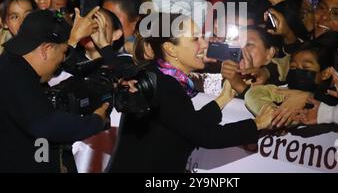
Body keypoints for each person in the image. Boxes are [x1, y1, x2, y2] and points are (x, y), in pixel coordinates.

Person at [107, 13, 275, 172]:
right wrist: (257, 123)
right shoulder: (166, 85)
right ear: (171, 49)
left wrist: (223, 98)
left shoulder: (157, 76)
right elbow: (205, 136)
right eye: (195, 39)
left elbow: (186, 125)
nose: (204, 44)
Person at [0, 9, 109, 172]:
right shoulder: (14, 77)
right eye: (64, 52)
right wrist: (96, 121)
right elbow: (47, 125)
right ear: (47, 49)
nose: (63, 59)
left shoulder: (12, 66)